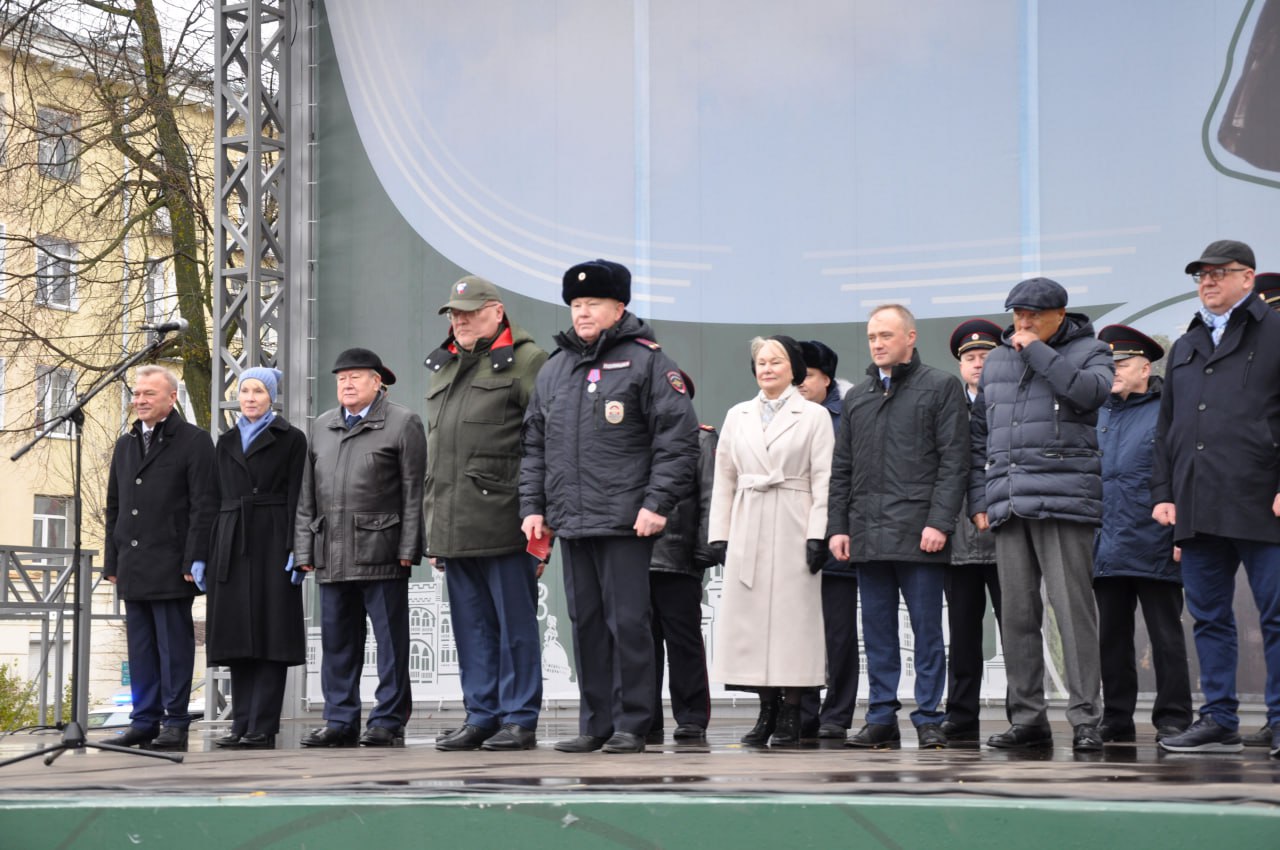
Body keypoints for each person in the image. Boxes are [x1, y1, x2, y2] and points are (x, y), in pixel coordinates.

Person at [520, 259, 699, 755]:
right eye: (576, 305)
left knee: (629, 624)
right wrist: (533, 506)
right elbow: (534, 444)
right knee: (587, 624)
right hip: (572, 520)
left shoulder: (647, 362)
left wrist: (656, 503)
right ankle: (595, 722)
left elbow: (677, 440)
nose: (582, 313)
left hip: (626, 521)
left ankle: (633, 723)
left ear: (619, 307)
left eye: (593, 303)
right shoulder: (555, 369)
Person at [969, 277, 1113, 752]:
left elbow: (1088, 395)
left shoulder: (1093, 350)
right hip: (1009, 502)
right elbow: (978, 436)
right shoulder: (997, 361)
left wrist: (1037, 351)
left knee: (1073, 613)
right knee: (1016, 616)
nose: (1023, 323)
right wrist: (980, 500)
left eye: (1032, 314)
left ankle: (1086, 719)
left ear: (1060, 314)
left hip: (1064, 500)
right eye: (1017, 314)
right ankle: (1028, 719)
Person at [1152, 240, 1280, 755]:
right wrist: (1164, 492)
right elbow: (1165, 430)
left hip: (1261, 498)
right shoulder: (1186, 346)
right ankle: (1220, 719)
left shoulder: (1275, 331)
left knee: (1276, 616)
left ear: (1247, 278)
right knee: (1208, 616)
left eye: (1218, 273)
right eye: (1201, 275)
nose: (1207, 281)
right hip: (1197, 502)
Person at [828, 305, 968, 750]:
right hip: (868, 535)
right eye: (872, 336)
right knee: (879, 632)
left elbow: (954, 462)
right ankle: (881, 717)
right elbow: (842, 468)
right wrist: (839, 527)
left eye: (887, 334)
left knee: (927, 631)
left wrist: (939, 522)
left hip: (920, 533)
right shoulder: (859, 397)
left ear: (911, 337)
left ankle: (929, 717)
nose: (878, 343)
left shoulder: (941, 387)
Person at [423, 276, 548, 752]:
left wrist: (540, 515)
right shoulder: (445, 366)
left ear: (496, 313)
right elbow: (439, 454)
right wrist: (434, 525)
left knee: (514, 629)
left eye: (469, 313)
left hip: (506, 519)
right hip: (455, 523)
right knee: (471, 629)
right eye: (454, 314)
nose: (459, 321)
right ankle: (482, 714)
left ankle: (519, 717)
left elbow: (544, 442)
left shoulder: (528, 361)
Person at [294, 348, 427, 748]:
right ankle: (340, 719)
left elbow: (414, 492)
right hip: (331, 553)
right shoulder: (320, 427)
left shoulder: (403, 423)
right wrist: (305, 550)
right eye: (341, 378)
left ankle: (387, 719)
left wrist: (409, 547)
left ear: (377, 382)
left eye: (356, 377)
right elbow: (306, 496)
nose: (347, 384)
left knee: (391, 645)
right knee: (337, 643)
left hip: (382, 550)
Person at [709, 335, 833, 746]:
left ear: (794, 368)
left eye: (776, 361)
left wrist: (818, 534)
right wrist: (721, 534)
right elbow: (724, 478)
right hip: (749, 522)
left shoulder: (813, 416)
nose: (767, 368)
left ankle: (793, 712)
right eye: (761, 362)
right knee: (752, 623)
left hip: (794, 520)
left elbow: (823, 479)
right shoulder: (737, 415)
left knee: (792, 624)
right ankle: (765, 711)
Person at [101, 364, 215, 751]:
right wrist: (111, 563)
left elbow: (204, 505)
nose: (140, 400)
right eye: (136, 393)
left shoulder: (194, 441)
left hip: (171, 564)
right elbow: (114, 506)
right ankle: (144, 720)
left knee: (174, 647)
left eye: (149, 393)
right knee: (142, 649)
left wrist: (193, 559)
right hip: (133, 564)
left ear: (172, 397)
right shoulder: (126, 443)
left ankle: (175, 721)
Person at [1092, 325, 1192, 745]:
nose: (1114, 371)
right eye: (1109, 364)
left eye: (1122, 364)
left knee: (1165, 636)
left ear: (1146, 367)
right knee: (1111, 639)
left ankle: (1173, 717)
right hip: (1104, 544)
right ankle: (1116, 716)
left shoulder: (1168, 410)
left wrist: (1182, 534)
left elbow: (1186, 473)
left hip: (1155, 540)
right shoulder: (1096, 412)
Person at [207, 368, 308, 749]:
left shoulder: (290, 438)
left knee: (270, 634)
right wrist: (206, 552)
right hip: (231, 540)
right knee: (236, 636)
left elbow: (301, 495)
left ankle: (262, 725)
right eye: (244, 390)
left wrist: (299, 548)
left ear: (272, 397)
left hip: (272, 536)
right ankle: (239, 722)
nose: (250, 397)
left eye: (259, 391)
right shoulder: (226, 441)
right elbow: (215, 497)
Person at [646, 371, 720, 745]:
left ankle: (691, 718)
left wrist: (706, 550)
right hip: (634, 557)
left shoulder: (701, 439)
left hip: (678, 556)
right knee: (641, 644)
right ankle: (646, 719)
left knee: (684, 640)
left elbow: (710, 497)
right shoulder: (632, 440)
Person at [943, 319, 1005, 744]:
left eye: (986, 356)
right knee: (963, 638)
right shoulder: (946, 407)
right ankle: (961, 718)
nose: (978, 363)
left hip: (1008, 538)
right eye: (970, 358)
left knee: (1018, 632)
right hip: (959, 540)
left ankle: (1024, 716)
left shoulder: (1014, 402)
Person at [797, 339, 859, 740]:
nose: (800, 384)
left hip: (836, 537)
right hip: (791, 539)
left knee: (839, 633)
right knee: (797, 630)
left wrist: (840, 528)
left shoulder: (849, 414)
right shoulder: (778, 412)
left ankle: (836, 713)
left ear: (827, 379)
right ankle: (799, 711)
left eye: (808, 377)